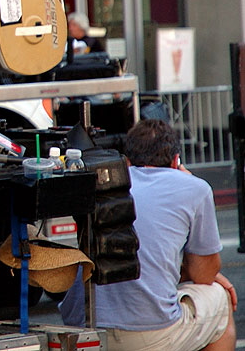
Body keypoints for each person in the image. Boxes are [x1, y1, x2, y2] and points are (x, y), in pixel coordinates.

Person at [59, 119, 237, 350]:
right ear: (176, 160)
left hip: (81, 327)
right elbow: (203, 274)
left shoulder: (103, 181)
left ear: (127, 161)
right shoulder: (195, 187)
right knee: (220, 298)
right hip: (148, 333)